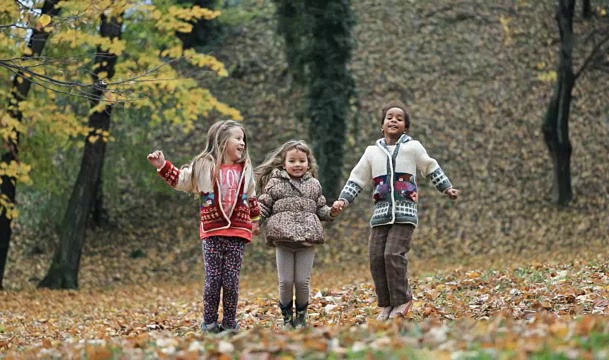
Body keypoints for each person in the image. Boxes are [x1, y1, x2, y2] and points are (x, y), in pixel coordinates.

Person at [331, 101, 459, 321]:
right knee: (376, 258)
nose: (394, 120)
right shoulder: (372, 152)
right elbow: (357, 178)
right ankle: (387, 304)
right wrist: (343, 200)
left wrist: (446, 187)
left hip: (405, 212)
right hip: (380, 215)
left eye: (399, 118)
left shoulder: (413, 148)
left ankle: (402, 299)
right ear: (382, 125)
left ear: (405, 127)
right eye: (389, 117)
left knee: (392, 254)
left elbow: (430, 167)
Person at [146, 120, 260, 334]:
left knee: (231, 281)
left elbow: (251, 194)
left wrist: (255, 220)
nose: (242, 143)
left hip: (237, 230)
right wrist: (163, 165)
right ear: (222, 140)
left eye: (243, 139)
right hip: (212, 231)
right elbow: (182, 179)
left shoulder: (245, 169)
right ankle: (209, 323)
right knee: (213, 280)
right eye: (237, 138)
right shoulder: (204, 165)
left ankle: (229, 323)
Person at [255, 140, 339, 328]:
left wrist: (332, 211)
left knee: (302, 281)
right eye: (292, 161)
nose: (297, 165)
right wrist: (255, 222)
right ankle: (287, 318)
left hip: (307, 238)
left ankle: (301, 316)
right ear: (283, 163)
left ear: (308, 163)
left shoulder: (314, 185)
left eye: (302, 160)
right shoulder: (274, 183)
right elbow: (263, 206)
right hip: (283, 238)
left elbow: (321, 209)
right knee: (285, 282)